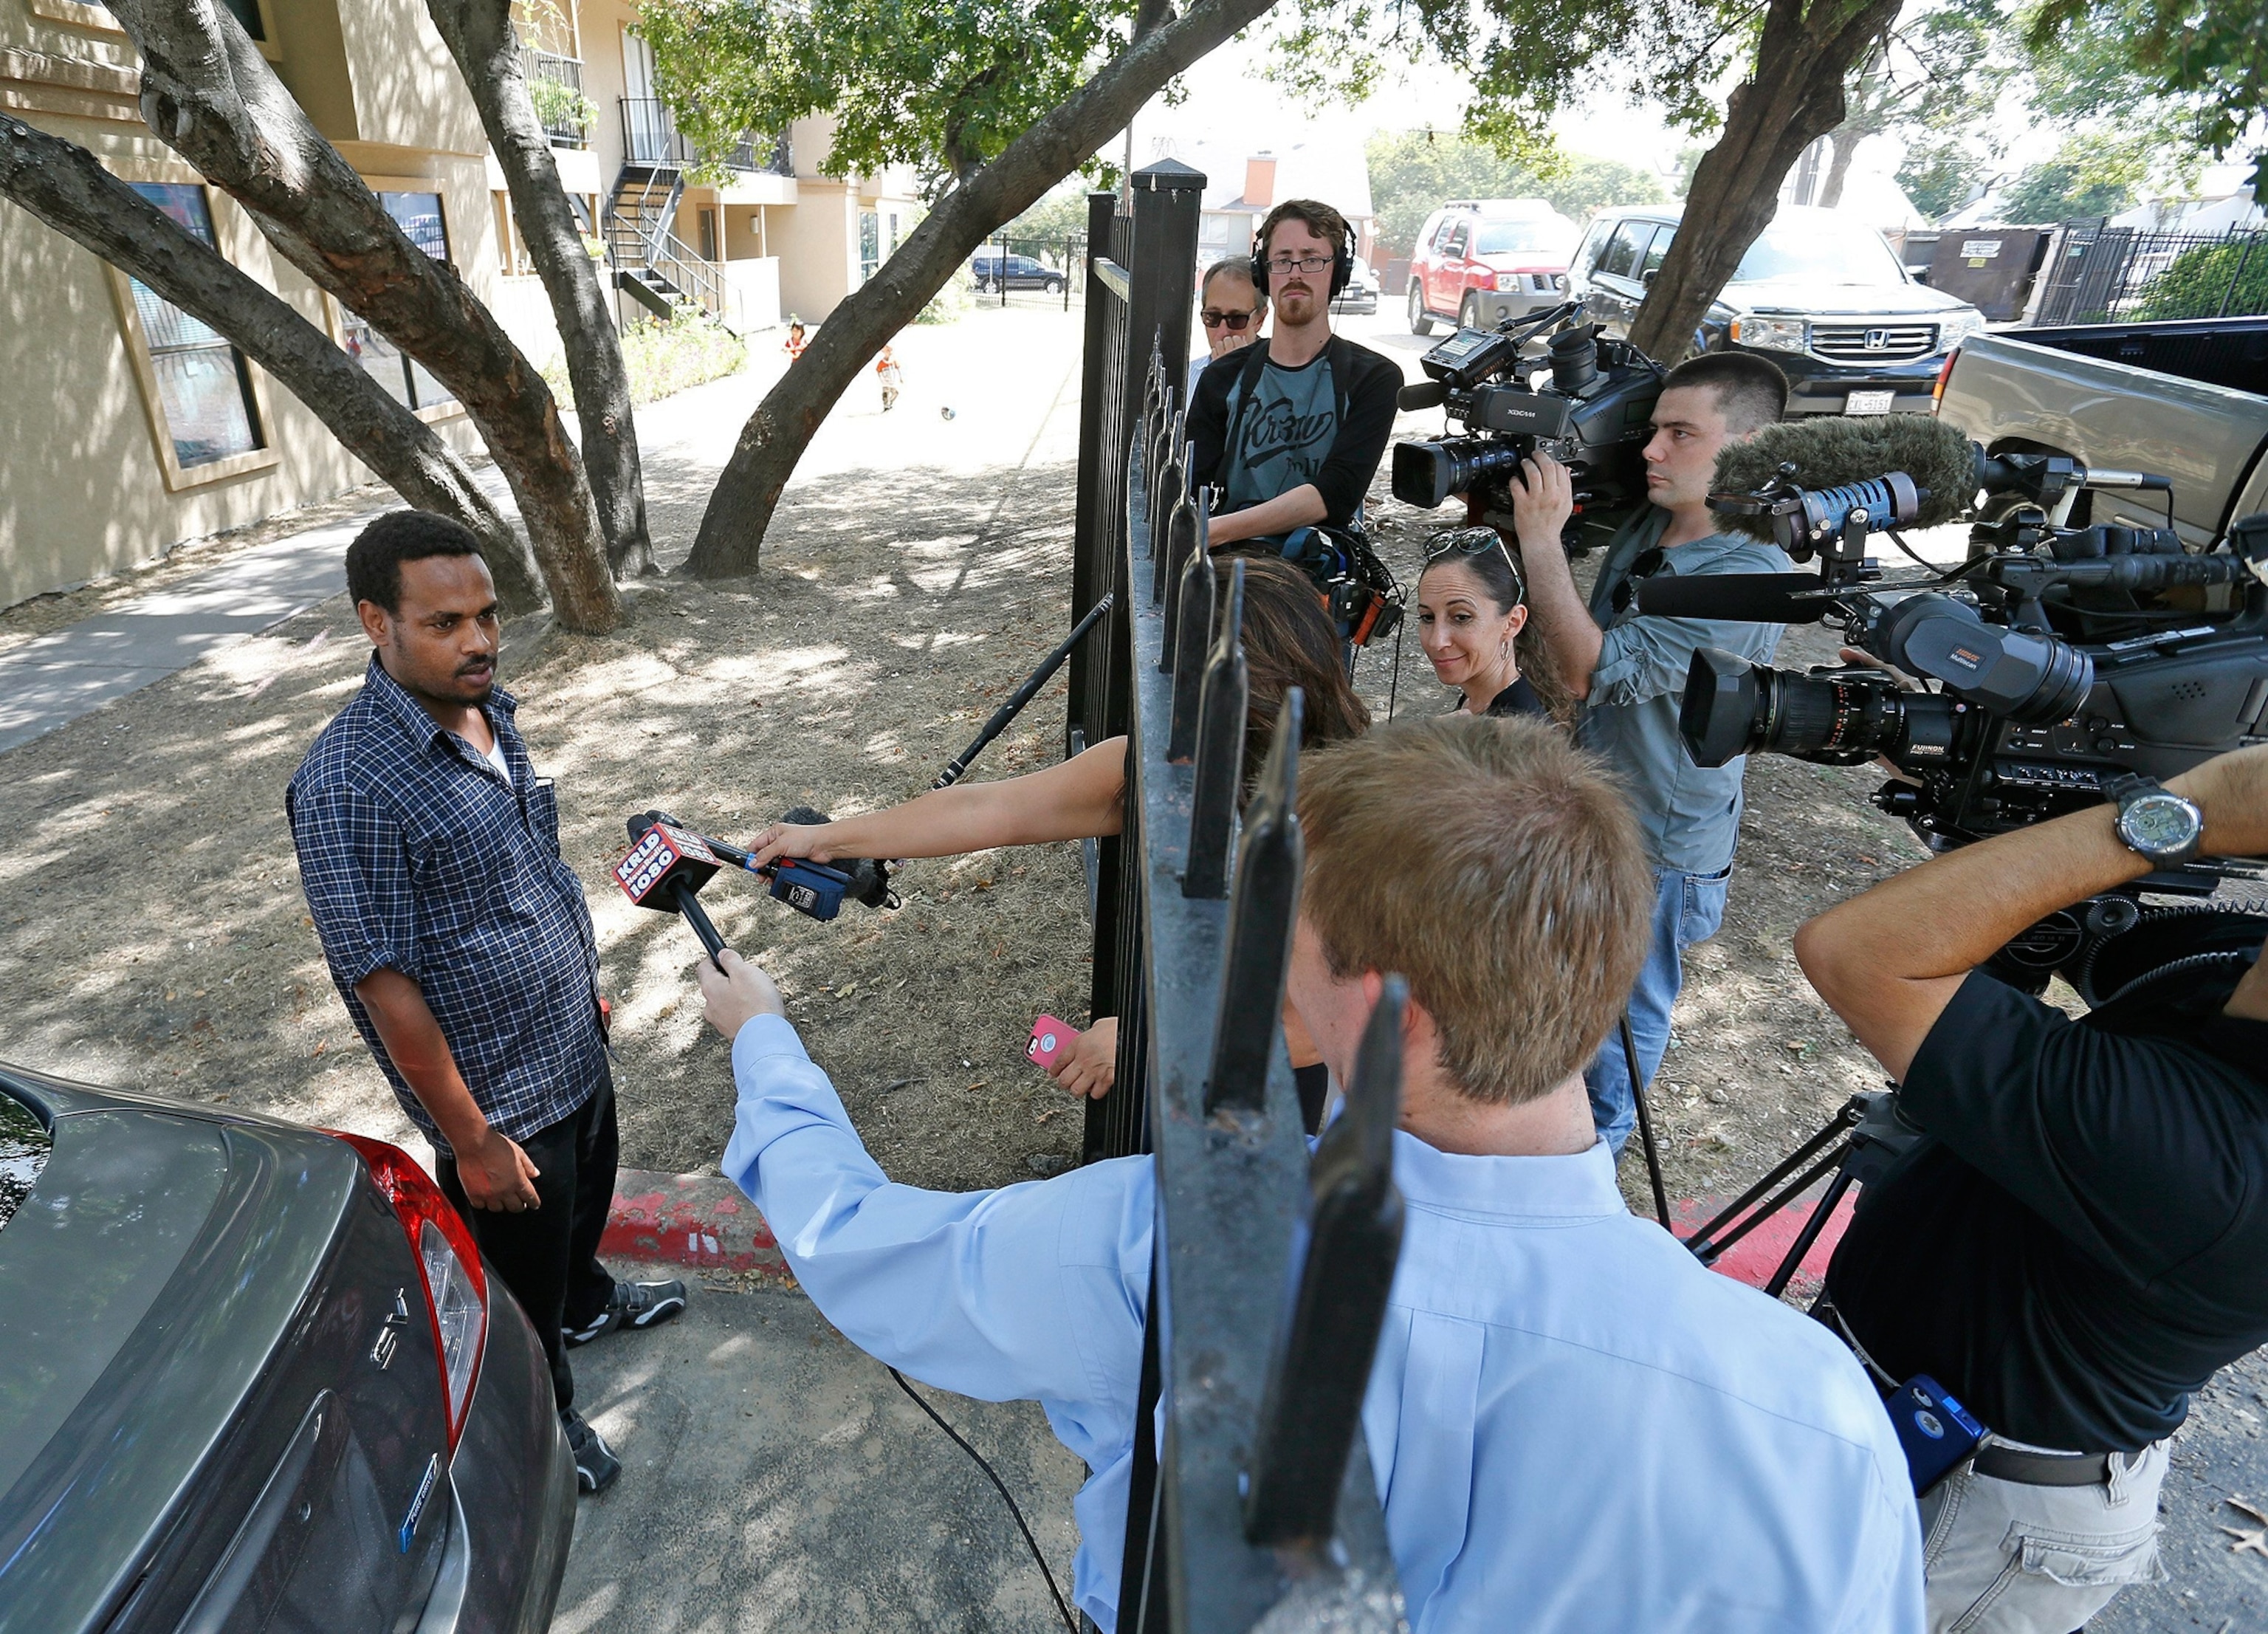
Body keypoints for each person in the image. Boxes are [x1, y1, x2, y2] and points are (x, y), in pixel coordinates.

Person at [698, 715, 1925, 1633]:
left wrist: (766, 1042)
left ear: (1387, 1024)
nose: (1247, 960)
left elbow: (865, 1251)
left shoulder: (1168, 1241)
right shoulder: (1815, 1420)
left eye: (1283, 938)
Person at [1795, 744, 2268, 1632]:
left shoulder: (2218, 1168)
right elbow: (2099, 938)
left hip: (1971, 1507)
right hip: (1933, 1425)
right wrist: (1994, 776)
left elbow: (1858, 952)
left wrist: (2190, 810)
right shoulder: (2243, 987)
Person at [286, 511, 687, 1497]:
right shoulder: (346, 786)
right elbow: (381, 983)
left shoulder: (486, 708)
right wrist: (469, 1140)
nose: (478, 640)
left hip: (568, 1044)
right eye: (445, 622)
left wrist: (579, 991)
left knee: (579, 1215)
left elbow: (516, 872)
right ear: (375, 620)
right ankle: (542, 1418)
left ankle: (587, 1301)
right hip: (497, 1098)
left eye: (487, 614)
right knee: (512, 1291)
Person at [749, 556, 1366, 1127]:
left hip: (1274, 1104)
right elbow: (990, 807)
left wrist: (1158, 1041)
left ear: (1249, 684)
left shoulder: (1342, 819)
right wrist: (827, 839)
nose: (1157, 682)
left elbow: (1326, 1018)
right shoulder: (1155, 764)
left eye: (1180, 664)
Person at [1508, 351, 1796, 1152]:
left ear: (1747, 449)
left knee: (1621, 1022)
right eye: (1653, 428)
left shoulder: (1751, 571)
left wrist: (1540, 544)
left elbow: (1588, 669)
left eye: (1681, 434)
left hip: (1660, 845)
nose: (1652, 451)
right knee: (1562, 991)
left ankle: (1593, 1166)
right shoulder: (1651, 518)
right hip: (1593, 805)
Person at [1186, 199, 1401, 558]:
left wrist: (1216, 530)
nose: (1295, 273)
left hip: (1323, 571)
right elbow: (1190, 486)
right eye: (1282, 260)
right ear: (1264, 273)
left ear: (1339, 273)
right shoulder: (1223, 377)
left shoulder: (1373, 378)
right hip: (1230, 565)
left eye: (1312, 259)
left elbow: (1335, 494)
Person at [1415, 526, 1546, 721]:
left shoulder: (1512, 733)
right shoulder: (1479, 700)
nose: (1437, 641)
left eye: (1461, 618)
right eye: (1428, 617)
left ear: (1512, 623)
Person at [1186, 255, 1265, 402]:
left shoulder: (1274, 382)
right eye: (1212, 317)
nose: (1223, 332)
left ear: (1260, 319)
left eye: (1236, 319)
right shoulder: (1187, 377)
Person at [876, 343, 903, 412]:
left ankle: (889, 403)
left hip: (892, 382)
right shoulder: (882, 363)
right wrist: (882, 379)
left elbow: (898, 368)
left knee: (895, 393)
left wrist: (901, 378)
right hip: (885, 382)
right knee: (886, 393)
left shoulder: (893, 361)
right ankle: (886, 406)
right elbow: (879, 371)